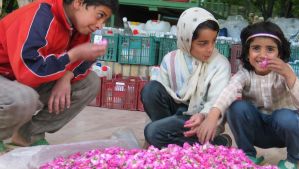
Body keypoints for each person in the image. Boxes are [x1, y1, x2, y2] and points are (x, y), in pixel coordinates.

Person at [0, 0, 118, 153]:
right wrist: (72, 55)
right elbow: (29, 71)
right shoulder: (40, 16)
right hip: (11, 74)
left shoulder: (76, 25)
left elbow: (81, 61)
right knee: (23, 97)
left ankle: (28, 135)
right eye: (99, 15)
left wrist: (66, 77)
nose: (100, 25)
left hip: (18, 77)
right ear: (78, 3)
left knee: (89, 84)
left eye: (104, 20)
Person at [203, 21, 299, 169]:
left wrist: (289, 76)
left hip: (282, 133)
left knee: (286, 117)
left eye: (270, 49)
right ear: (248, 54)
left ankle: (294, 159)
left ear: (279, 54)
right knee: (236, 107)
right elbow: (228, 91)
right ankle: (246, 154)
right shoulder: (245, 74)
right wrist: (213, 115)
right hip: (256, 131)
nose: (262, 55)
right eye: (256, 48)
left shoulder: (284, 73)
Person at [141, 7, 232, 149]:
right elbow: (158, 98)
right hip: (174, 118)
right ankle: (214, 144)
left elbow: (217, 101)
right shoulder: (170, 60)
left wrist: (202, 116)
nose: (210, 48)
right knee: (150, 90)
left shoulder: (220, 64)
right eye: (203, 43)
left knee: (153, 133)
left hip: (201, 120)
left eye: (213, 41)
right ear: (186, 40)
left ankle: (163, 137)